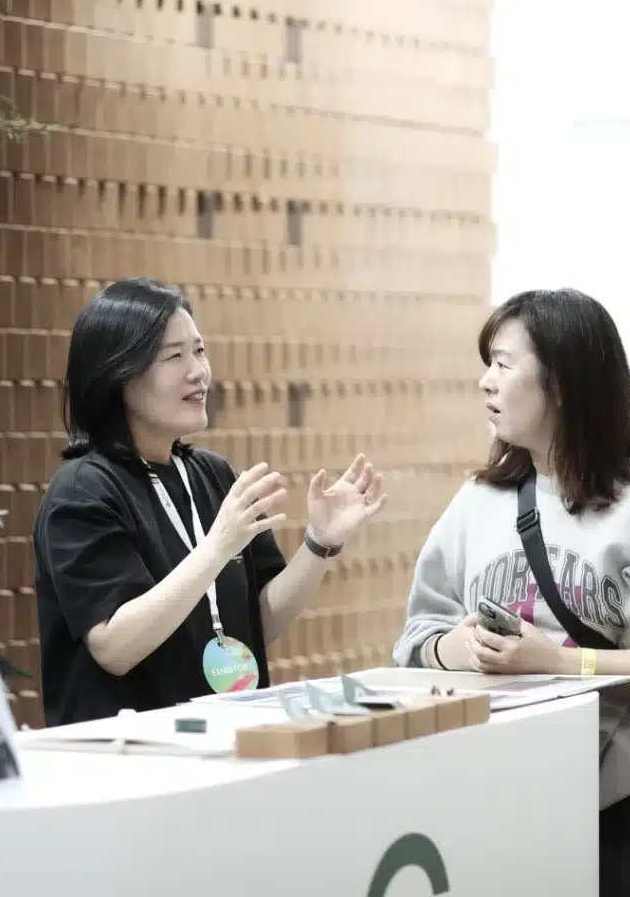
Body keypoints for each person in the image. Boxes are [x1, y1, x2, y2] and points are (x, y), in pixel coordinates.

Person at [393, 287, 630, 888]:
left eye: (504, 364)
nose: (485, 382)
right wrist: (466, 647)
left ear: (563, 382)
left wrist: (555, 662)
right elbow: (415, 642)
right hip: (513, 806)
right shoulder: (478, 502)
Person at [33, 277, 388, 727]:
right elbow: (113, 647)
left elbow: (259, 621)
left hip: (227, 741)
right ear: (117, 374)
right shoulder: (84, 491)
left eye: (199, 351)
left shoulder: (212, 473)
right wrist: (218, 547)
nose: (198, 371)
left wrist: (318, 544)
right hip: (129, 760)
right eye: (174, 356)